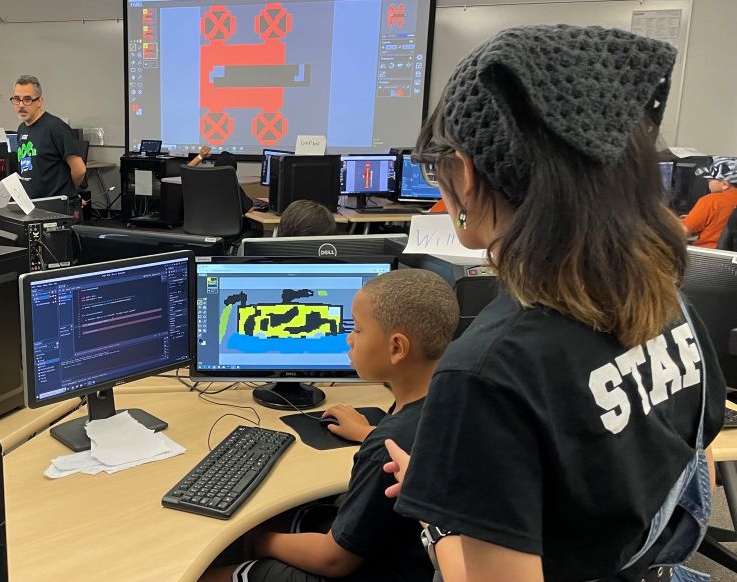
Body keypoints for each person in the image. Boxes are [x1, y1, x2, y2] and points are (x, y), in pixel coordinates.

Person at [380, 25, 726, 582]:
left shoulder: (486, 372)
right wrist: (470, 477)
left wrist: (442, 523)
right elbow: (691, 467)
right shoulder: (668, 302)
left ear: (465, 174)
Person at [202, 268, 460, 582]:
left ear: (396, 348)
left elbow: (333, 559)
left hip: (361, 569)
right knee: (293, 516)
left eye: (359, 330)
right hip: (408, 556)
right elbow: (416, 445)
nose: (348, 338)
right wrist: (370, 433)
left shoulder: (387, 445)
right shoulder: (452, 402)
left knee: (206, 573)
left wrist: (261, 541)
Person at [12, 75, 86, 199]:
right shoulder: (21, 129)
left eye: (27, 99)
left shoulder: (56, 128)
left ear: (40, 101)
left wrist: (68, 192)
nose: (21, 105)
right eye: (17, 99)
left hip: (56, 208)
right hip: (32, 205)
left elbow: (79, 169)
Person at [682, 156, 737, 248]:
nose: (707, 181)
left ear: (725, 184)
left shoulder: (710, 201)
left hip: (707, 255)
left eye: (710, 179)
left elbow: (684, 230)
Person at [188, 145, 253, 214]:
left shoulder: (202, 184)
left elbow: (186, 170)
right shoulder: (233, 187)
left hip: (200, 224)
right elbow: (250, 208)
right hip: (230, 224)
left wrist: (200, 156)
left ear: (215, 168)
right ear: (234, 172)